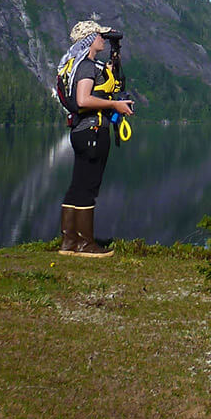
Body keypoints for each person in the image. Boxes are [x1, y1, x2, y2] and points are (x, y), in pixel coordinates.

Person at [56, 19, 134, 257]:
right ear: (90, 40)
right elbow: (83, 100)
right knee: (89, 187)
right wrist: (115, 104)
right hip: (93, 132)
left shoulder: (78, 65)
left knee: (77, 186)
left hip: (81, 132)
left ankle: (69, 241)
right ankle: (86, 244)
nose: (103, 39)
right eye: (99, 36)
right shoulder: (87, 66)